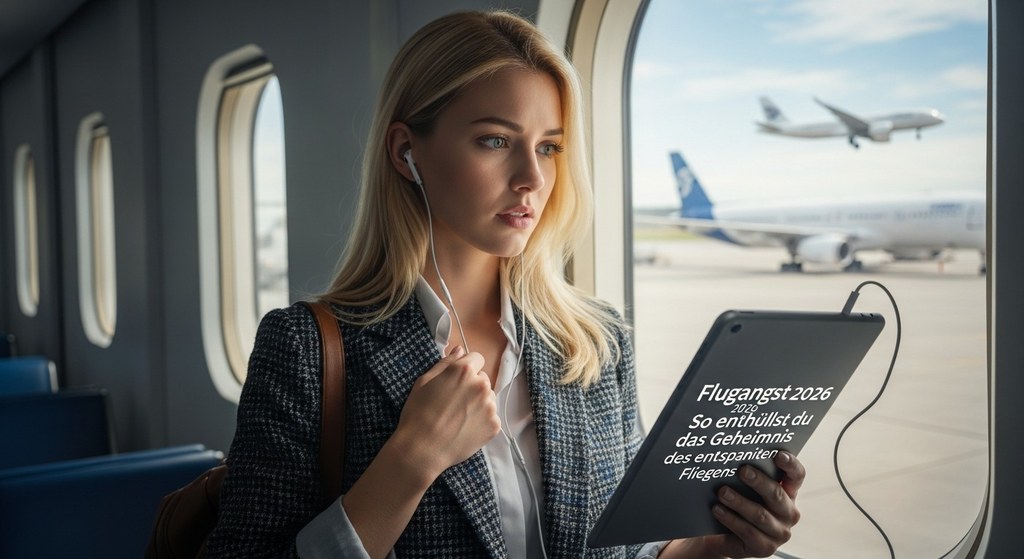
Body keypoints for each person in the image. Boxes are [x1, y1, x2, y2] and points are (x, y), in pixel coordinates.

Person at [206, 9, 803, 559]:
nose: (532, 178)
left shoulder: (596, 340)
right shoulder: (304, 350)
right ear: (406, 152)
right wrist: (410, 461)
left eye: (549, 147)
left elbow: (626, 550)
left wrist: (714, 547)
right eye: (495, 141)